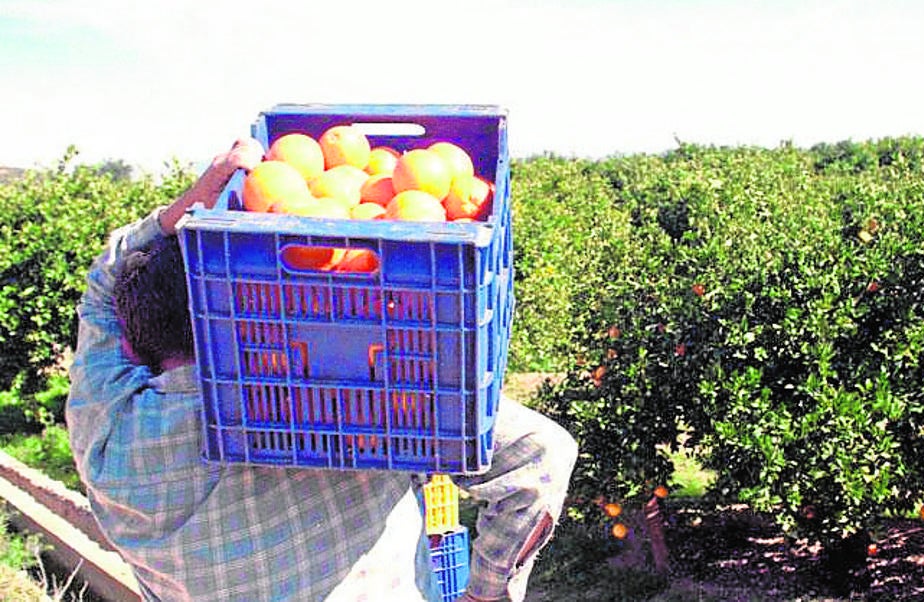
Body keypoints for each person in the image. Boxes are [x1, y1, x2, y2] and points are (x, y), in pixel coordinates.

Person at [67, 137, 577, 601]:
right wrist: (487, 591)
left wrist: (178, 215)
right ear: (243, 314)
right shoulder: (343, 405)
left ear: (131, 342)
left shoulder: (103, 429)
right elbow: (541, 458)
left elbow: (103, 288)